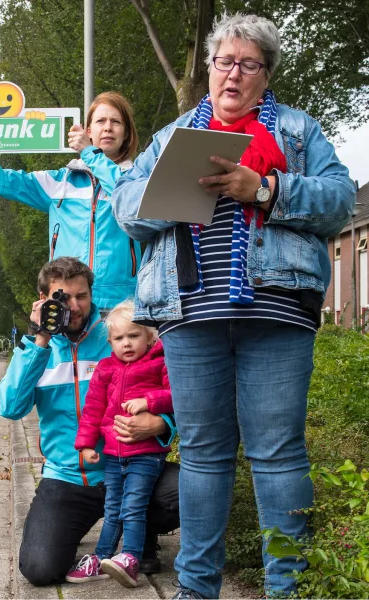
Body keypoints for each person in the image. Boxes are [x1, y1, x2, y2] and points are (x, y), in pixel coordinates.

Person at [112, 13, 356, 600]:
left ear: (265, 75)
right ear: (210, 68)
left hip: (277, 313)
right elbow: (124, 207)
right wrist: (171, 196)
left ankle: (286, 589)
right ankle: (196, 590)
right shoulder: (173, 137)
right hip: (191, 315)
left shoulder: (297, 133)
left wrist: (267, 190)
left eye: (248, 64)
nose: (233, 74)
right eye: (224, 61)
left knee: (277, 452)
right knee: (201, 454)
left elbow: (341, 200)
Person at [0, 257, 179, 586]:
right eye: (64, 297)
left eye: (83, 296)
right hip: (67, 478)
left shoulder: (119, 333)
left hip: (128, 465)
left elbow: (169, 389)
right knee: (39, 569)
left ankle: (140, 536)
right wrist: (40, 340)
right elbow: (9, 407)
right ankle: (117, 528)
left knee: (189, 488)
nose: (75, 306)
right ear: (43, 298)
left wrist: (163, 424)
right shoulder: (37, 348)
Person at [0, 92, 141, 311]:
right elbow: (0, 179)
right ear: (89, 131)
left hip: (122, 305)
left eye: (116, 122)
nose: (108, 127)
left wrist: (90, 154)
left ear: (126, 133)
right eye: (101, 120)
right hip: (67, 302)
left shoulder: (138, 179)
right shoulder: (58, 183)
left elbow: (127, 194)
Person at [65, 300, 174, 588]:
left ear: (150, 336)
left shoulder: (160, 362)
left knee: (133, 507)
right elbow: (93, 409)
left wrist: (149, 401)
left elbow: (176, 394)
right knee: (113, 507)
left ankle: (131, 558)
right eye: (119, 338)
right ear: (110, 342)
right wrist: (86, 445)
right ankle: (101, 559)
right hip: (114, 454)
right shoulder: (105, 368)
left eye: (134, 336)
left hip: (146, 454)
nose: (126, 344)